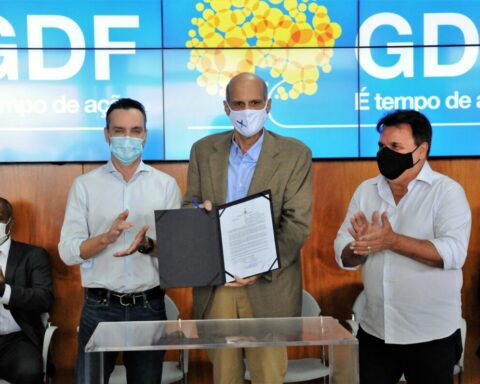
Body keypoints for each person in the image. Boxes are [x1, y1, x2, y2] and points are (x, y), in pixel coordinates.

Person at [183, 72, 312, 383]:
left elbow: (296, 224)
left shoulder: (295, 154)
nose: (246, 111)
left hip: (269, 284)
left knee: (268, 375)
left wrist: (260, 266)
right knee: (224, 376)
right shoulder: (203, 150)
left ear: (268, 105)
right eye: (238, 104)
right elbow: (190, 206)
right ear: (227, 108)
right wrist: (200, 214)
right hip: (218, 286)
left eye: (254, 103)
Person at [334, 110, 471, 384]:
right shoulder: (366, 190)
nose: (385, 154)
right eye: (382, 147)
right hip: (376, 330)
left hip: (431, 334)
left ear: (422, 150)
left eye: (395, 147)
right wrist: (357, 248)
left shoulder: (447, 192)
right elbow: (342, 251)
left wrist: (392, 241)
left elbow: (453, 253)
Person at [58, 98, 181, 384]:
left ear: (145, 135)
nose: (128, 138)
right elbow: (67, 252)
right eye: (119, 130)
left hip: (149, 307)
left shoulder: (165, 186)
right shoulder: (84, 186)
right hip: (99, 306)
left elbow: (176, 253)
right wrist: (105, 238)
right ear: (106, 134)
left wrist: (146, 245)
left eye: (135, 130)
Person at [0, 197, 54, 384]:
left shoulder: (33, 255)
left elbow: (44, 298)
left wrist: (4, 291)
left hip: (18, 340)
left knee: (30, 373)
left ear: (10, 223)